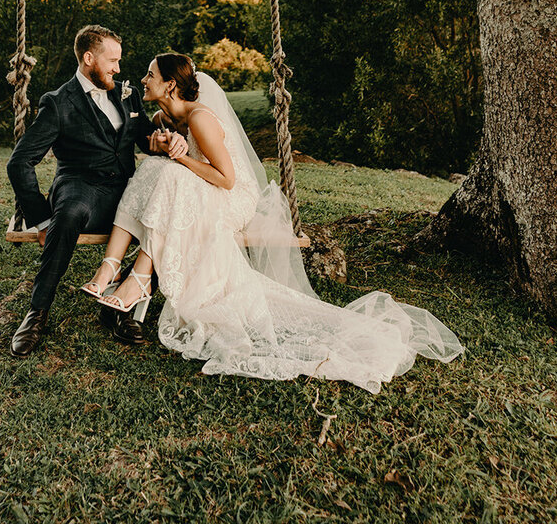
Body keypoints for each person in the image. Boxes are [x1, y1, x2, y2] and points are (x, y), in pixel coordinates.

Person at [82, 53, 464, 392]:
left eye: (150, 75)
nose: (143, 79)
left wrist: (180, 159)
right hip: (199, 185)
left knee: (170, 176)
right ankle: (122, 275)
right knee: (156, 171)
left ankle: (135, 279)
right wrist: (164, 146)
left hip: (231, 196)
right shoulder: (165, 116)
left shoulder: (200, 118)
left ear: (169, 84)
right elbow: (156, 145)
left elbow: (227, 179)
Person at [6, 25, 187, 357]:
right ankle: (36, 313)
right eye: (112, 60)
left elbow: (148, 139)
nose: (118, 68)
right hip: (80, 189)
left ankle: (120, 307)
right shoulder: (58, 103)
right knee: (69, 213)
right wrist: (41, 221)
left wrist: (168, 140)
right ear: (89, 58)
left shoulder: (127, 94)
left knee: (173, 211)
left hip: (126, 193)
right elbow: (19, 163)